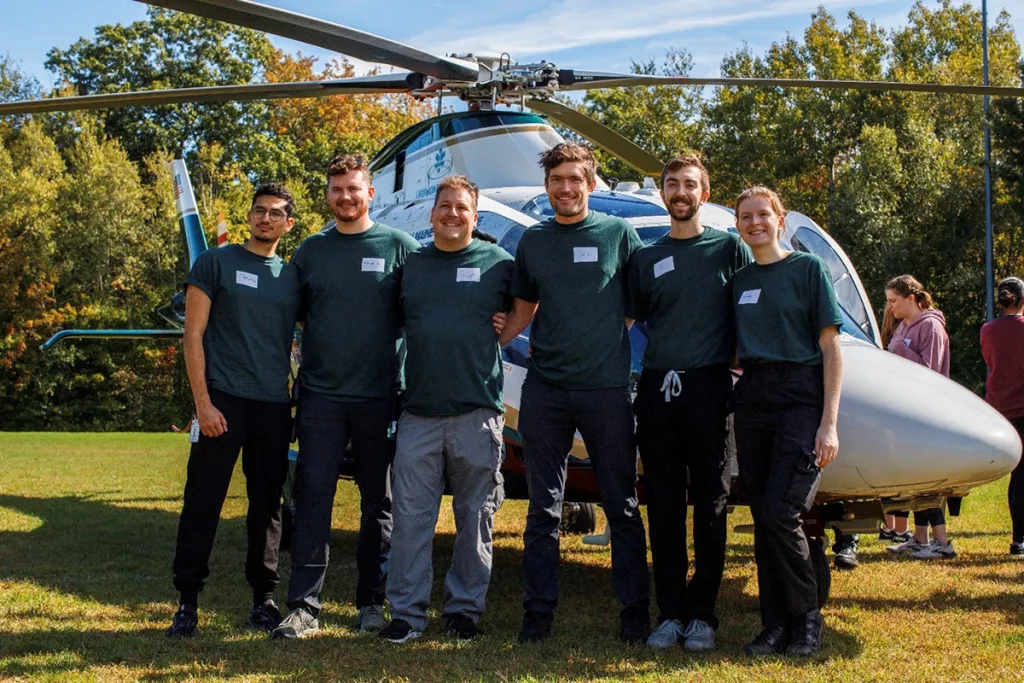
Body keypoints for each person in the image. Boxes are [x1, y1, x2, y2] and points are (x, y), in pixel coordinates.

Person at [497, 142, 650, 644]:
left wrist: (600, 344)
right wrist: (486, 338)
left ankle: (633, 613)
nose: (566, 188)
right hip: (546, 390)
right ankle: (538, 612)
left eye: (575, 179)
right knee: (543, 507)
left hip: (605, 390)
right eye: (557, 179)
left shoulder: (618, 234)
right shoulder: (535, 241)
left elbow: (633, 308)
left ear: (590, 183)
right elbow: (522, 310)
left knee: (621, 503)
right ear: (548, 185)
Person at [272, 156, 419, 639]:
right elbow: (281, 314)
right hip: (320, 399)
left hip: (381, 399)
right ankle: (304, 607)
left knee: (379, 504)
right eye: (336, 189)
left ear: (371, 194)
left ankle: (371, 603)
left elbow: (435, 305)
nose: (345, 197)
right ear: (328, 194)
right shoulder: (311, 251)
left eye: (353, 189)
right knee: (313, 498)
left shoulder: (400, 247)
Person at [377, 176, 512, 644]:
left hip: (478, 412)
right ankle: (408, 614)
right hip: (419, 413)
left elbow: (529, 306)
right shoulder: (411, 265)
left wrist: (506, 329)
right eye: (445, 206)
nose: (452, 214)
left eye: (462, 208)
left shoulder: (499, 263)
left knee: (476, 517)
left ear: (476, 217)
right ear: (432, 213)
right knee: (411, 518)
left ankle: (463, 612)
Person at [625, 154, 751, 650]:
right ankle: (670, 611)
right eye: (673, 184)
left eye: (690, 185)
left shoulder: (729, 249)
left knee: (711, 504)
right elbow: (625, 326)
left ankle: (703, 614)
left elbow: (750, 315)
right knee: (664, 505)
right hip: (658, 390)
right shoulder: (645, 258)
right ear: (662, 193)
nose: (681, 192)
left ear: (704, 191)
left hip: (710, 388)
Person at [166, 183, 300, 638]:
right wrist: (202, 403)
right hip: (222, 402)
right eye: (259, 211)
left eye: (275, 213)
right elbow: (193, 335)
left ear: (288, 223)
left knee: (268, 508)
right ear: (250, 217)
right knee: (203, 501)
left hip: (273, 407)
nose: (266, 219)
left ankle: (263, 599)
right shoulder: (214, 264)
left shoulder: (293, 275)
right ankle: (187, 602)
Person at [730, 186, 843, 657]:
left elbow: (831, 346)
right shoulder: (737, 281)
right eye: (745, 217)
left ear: (780, 219)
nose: (754, 223)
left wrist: (829, 422)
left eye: (762, 214)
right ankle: (773, 625)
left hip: (799, 394)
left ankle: (807, 619)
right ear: (737, 225)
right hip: (752, 394)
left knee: (782, 511)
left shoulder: (807, 269)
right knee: (763, 517)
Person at [881, 275, 955, 560]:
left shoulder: (932, 327)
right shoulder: (902, 327)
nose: (890, 308)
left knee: (929, 477)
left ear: (911, 298)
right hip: (905, 411)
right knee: (916, 478)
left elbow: (931, 373)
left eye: (893, 301)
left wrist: (899, 351)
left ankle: (942, 542)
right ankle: (921, 539)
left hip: (928, 412)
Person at [980, 276, 1024, 556]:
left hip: (1001, 406)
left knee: (1018, 476)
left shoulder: (988, 330)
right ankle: (1020, 538)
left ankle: (1019, 538)